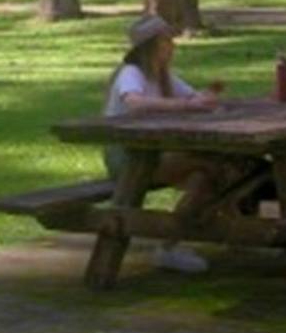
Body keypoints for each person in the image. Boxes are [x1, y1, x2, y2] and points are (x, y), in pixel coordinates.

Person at [102, 14, 241, 274]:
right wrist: (185, 105)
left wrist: (208, 97)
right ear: (153, 45)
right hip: (128, 158)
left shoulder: (165, 76)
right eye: (167, 40)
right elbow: (134, 102)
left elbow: (193, 98)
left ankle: (177, 243)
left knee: (218, 174)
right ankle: (173, 246)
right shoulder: (132, 73)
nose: (172, 46)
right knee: (214, 169)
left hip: (156, 154)